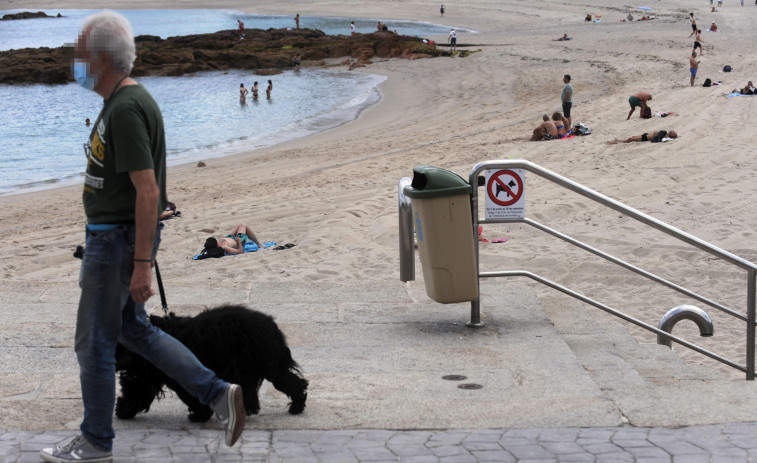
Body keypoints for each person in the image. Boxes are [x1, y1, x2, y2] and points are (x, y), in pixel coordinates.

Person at [40, 12, 246, 463]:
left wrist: (140, 264)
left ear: (101, 58)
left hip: (115, 244)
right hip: (113, 240)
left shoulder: (129, 108)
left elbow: (149, 191)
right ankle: (217, 394)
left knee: (92, 342)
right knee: (136, 331)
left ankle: (96, 440)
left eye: (80, 52)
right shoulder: (119, 103)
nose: (75, 60)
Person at [607, 130, 678, 144]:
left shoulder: (664, 135)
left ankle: (617, 142)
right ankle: (619, 140)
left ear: (671, 134)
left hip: (645, 138)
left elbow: (654, 137)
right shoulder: (664, 134)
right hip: (646, 136)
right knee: (632, 137)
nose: (673, 131)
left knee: (630, 139)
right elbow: (655, 133)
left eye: (673, 133)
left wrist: (655, 133)